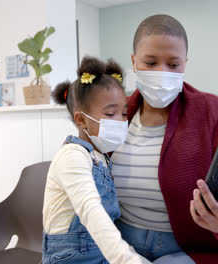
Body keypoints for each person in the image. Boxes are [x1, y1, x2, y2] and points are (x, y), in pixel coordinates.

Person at [110, 14, 218, 264]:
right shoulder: (114, 116)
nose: (162, 72)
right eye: (150, 62)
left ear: (185, 64)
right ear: (134, 61)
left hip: (191, 251)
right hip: (120, 243)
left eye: (173, 64)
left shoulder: (214, 112)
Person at [42, 56, 151, 264]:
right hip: (70, 258)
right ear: (81, 119)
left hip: (102, 253)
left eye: (124, 113)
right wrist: (127, 259)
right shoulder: (72, 156)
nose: (120, 121)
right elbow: (92, 212)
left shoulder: (100, 157)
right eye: (110, 114)